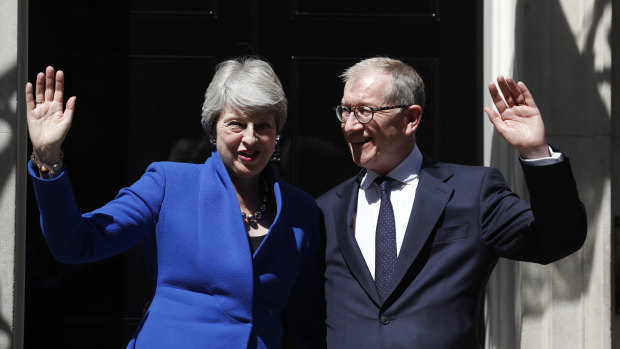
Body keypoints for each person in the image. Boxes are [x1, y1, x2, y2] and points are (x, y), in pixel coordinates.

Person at [25, 57, 325, 349]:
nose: (250, 138)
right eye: (236, 124)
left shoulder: (301, 211)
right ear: (211, 130)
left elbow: (307, 323)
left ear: (276, 134)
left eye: (263, 126)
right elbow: (75, 243)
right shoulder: (168, 184)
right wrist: (48, 157)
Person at [317, 57, 587, 348]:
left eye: (365, 111)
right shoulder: (326, 208)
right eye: (345, 111)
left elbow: (557, 240)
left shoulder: (472, 193)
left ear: (410, 119)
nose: (350, 126)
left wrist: (535, 151)